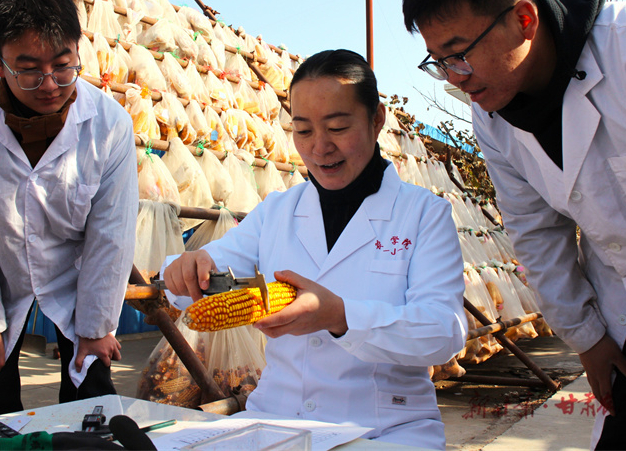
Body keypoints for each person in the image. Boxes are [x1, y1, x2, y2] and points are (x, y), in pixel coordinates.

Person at [403, 0, 626, 450]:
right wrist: (586, 336)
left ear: (524, 20)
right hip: (623, 303)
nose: (455, 77)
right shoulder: (492, 114)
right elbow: (535, 230)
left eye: (460, 53)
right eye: (439, 61)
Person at [162, 49, 467, 449]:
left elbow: (443, 332)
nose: (320, 147)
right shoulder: (276, 211)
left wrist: (340, 316)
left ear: (376, 119)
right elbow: (209, 270)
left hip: (385, 429)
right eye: (303, 131)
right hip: (276, 417)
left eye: (338, 127)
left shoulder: (423, 214)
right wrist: (187, 268)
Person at [0, 0, 138, 414]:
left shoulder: (110, 124)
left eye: (63, 67)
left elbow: (111, 231)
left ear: (77, 53)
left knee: (90, 400)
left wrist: (97, 325)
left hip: (78, 276)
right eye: (29, 70)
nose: (49, 85)